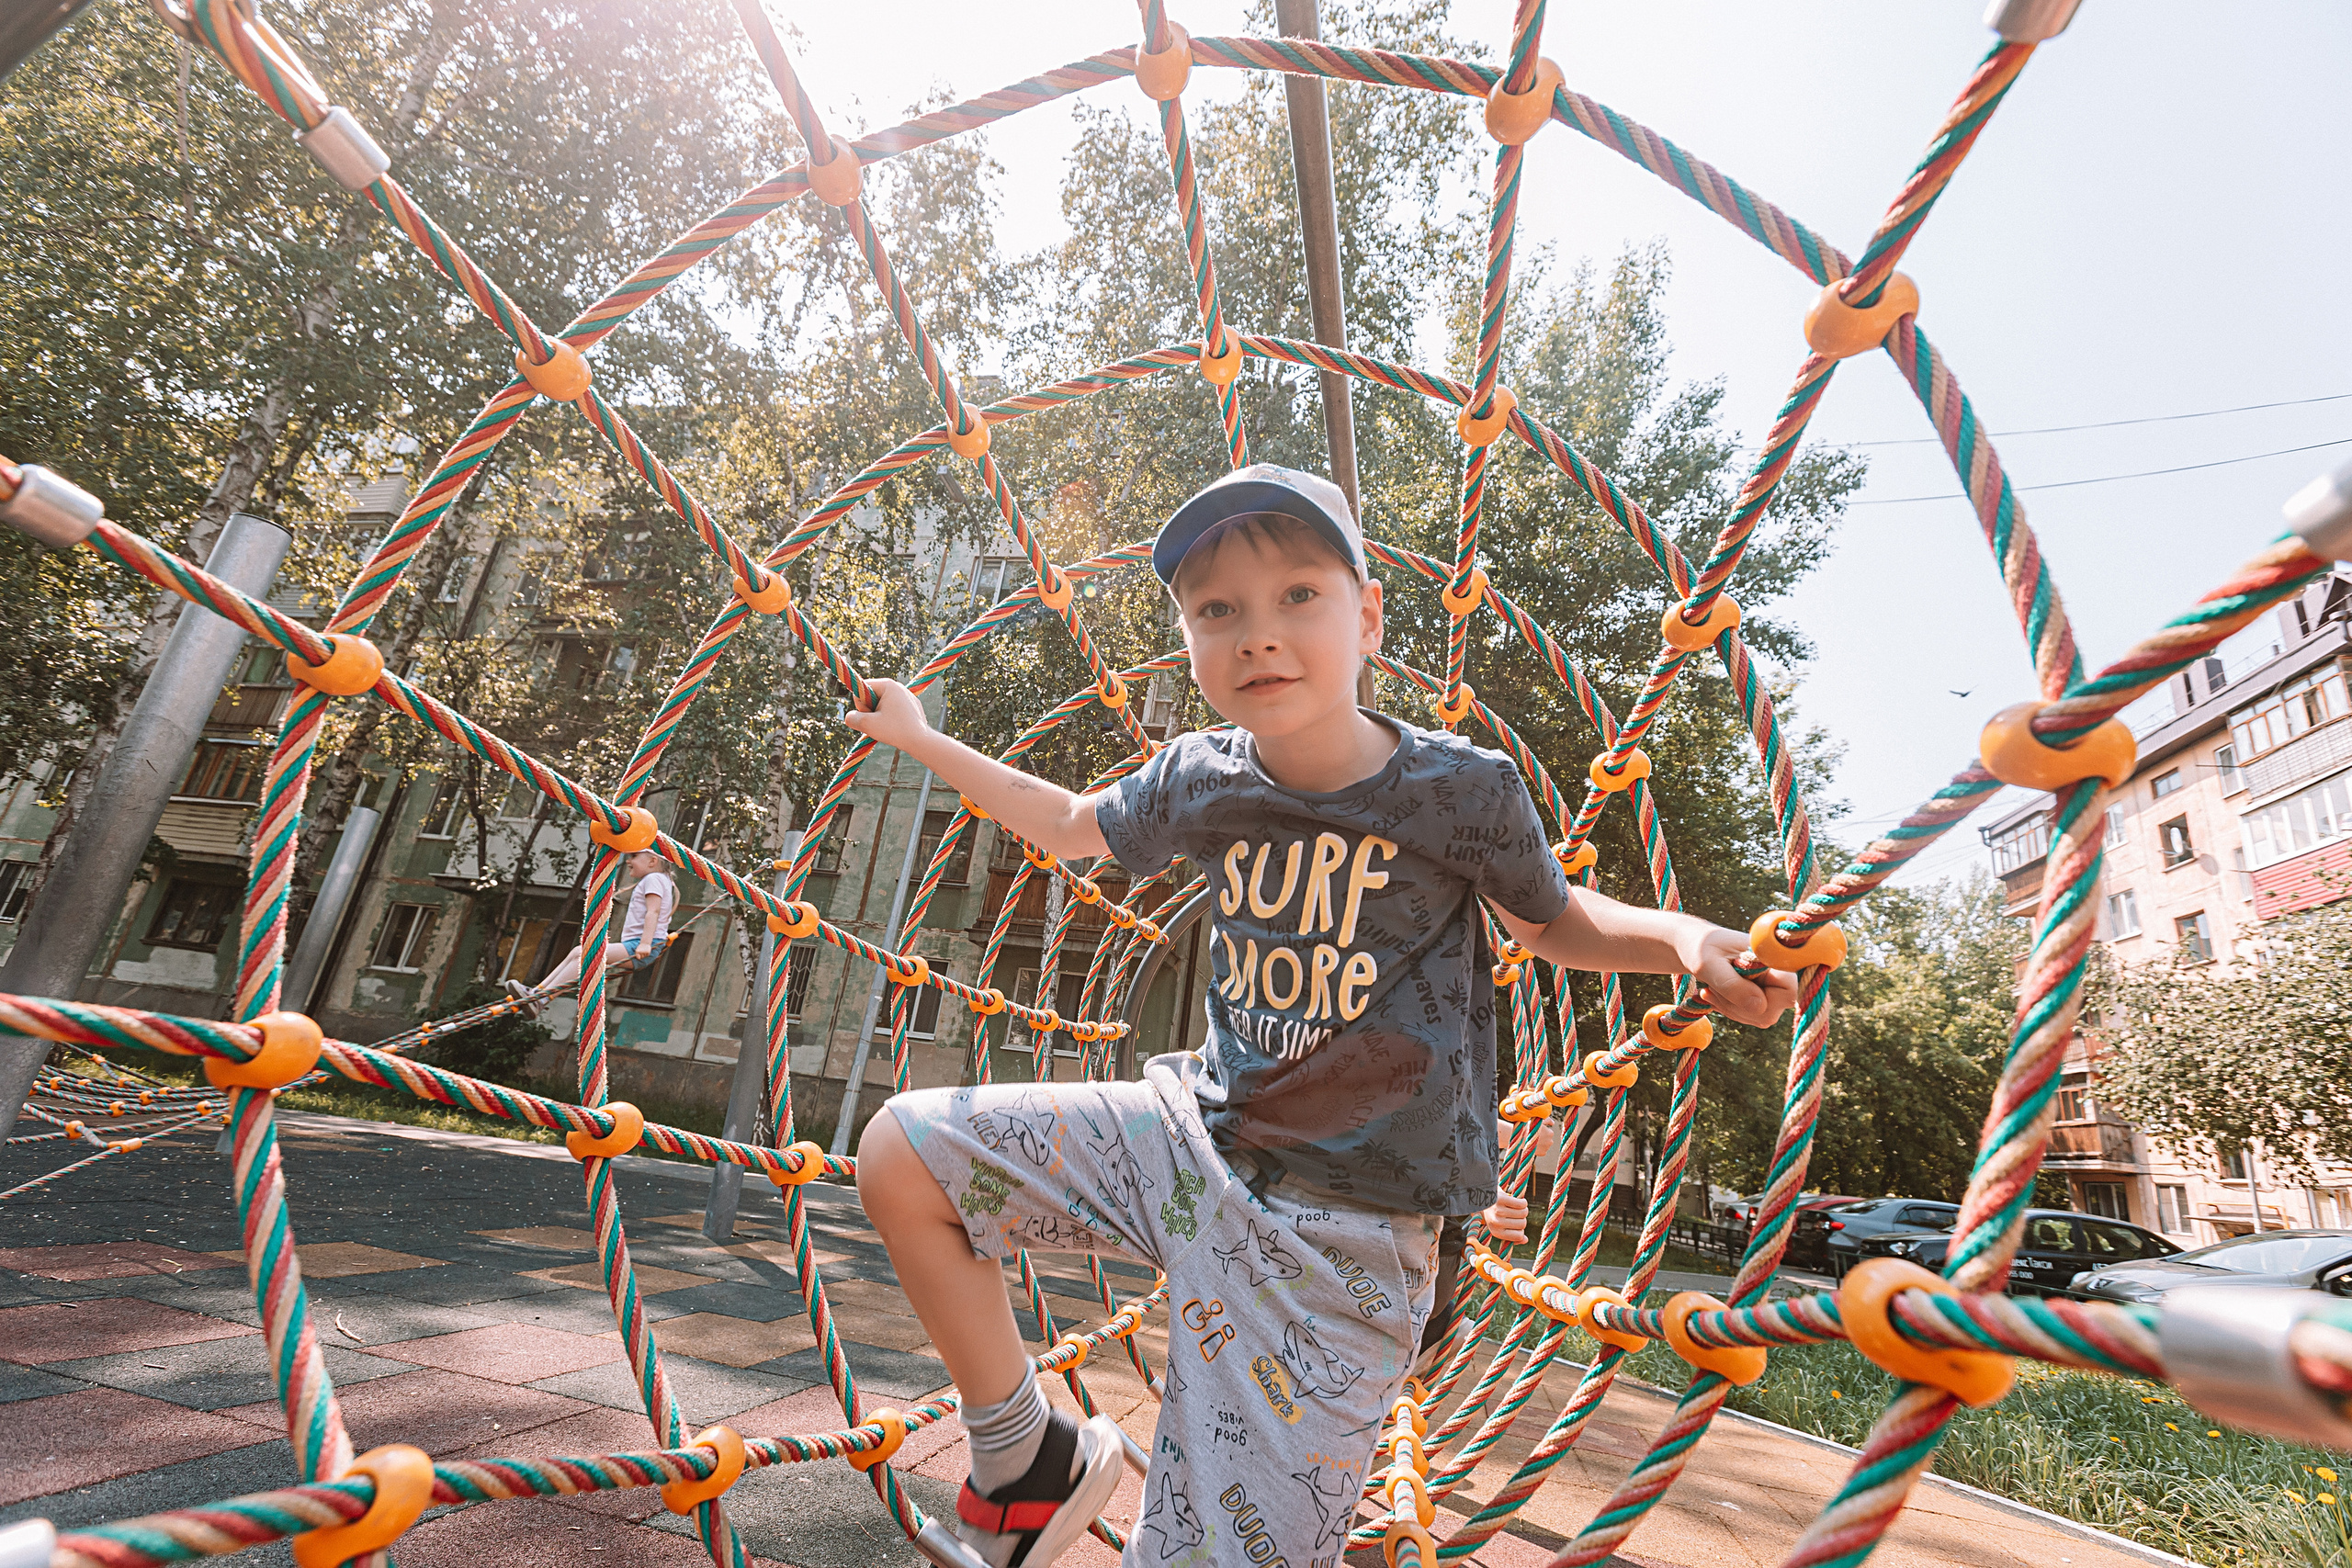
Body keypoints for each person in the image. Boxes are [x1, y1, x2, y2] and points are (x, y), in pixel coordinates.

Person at [844, 464, 1797, 1568]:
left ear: (1368, 617)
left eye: (1299, 594)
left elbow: (1552, 922)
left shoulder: (1457, 790)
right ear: (1190, 642)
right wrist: (917, 736)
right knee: (902, 1154)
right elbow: (1063, 822)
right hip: (1191, 1145)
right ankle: (1025, 1454)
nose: (1259, 636)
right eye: (1218, 612)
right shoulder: (1200, 777)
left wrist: (1686, 938)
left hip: (1341, 1239)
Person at [507, 848, 675, 1016]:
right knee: (578, 952)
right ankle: (536, 993)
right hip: (637, 943)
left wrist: (645, 943)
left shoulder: (654, 878)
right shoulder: (659, 879)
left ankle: (541, 1000)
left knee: (585, 955)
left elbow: (653, 911)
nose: (628, 860)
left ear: (653, 861)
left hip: (643, 944)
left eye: (634, 856)